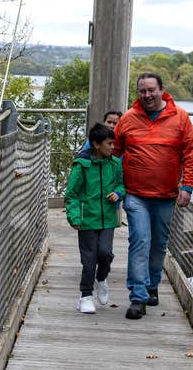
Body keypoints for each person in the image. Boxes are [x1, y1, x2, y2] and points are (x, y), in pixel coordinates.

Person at [113, 72, 193, 320]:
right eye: (143, 91)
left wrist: (188, 186)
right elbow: (113, 153)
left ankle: (152, 285)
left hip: (166, 194)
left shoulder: (180, 118)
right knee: (140, 239)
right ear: (138, 92)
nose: (147, 95)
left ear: (162, 90)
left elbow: (191, 153)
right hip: (136, 194)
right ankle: (138, 297)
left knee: (159, 244)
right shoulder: (128, 119)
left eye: (151, 90)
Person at [64, 123, 125, 314]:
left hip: (108, 219)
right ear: (96, 145)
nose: (112, 147)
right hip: (86, 220)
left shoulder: (115, 164)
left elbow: (122, 185)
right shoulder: (81, 166)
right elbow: (71, 194)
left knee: (105, 253)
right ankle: (85, 296)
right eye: (109, 144)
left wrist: (117, 193)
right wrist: (74, 217)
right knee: (89, 259)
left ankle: (101, 279)